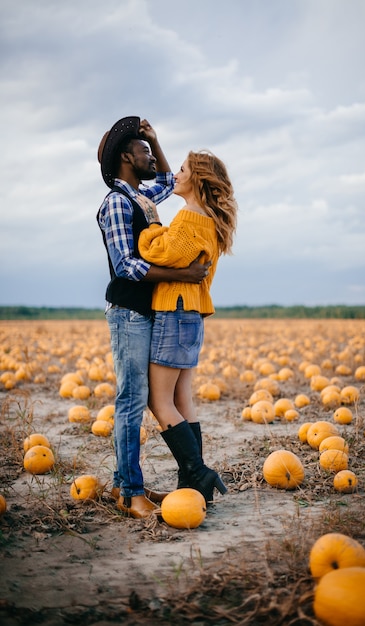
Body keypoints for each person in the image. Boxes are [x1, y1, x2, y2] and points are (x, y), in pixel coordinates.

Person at [96, 117, 209, 519]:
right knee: (131, 399)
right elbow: (126, 264)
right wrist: (182, 274)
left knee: (138, 399)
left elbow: (166, 179)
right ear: (126, 157)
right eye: (142, 149)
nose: (151, 156)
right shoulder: (116, 202)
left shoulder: (143, 198)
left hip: (147, 311)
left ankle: (123, 482)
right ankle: (130, 492)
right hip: (128, 312)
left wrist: (155, 139)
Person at [138, 150, 238, 503]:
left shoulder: (189, 218)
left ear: (196, 179)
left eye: (181, 170)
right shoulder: (208, 220)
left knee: (158, 398)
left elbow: (158, 252)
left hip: (174, 312)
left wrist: (151, 225)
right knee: (182, 397)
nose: (175, 175)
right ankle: (193, 483)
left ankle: (197, 471)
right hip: (191, 317)